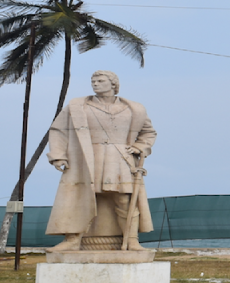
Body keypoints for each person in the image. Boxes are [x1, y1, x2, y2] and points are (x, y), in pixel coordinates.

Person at [46, 71, 157, 252]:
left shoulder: (134, 109)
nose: (95, 84)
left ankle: (132, 241)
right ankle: (73, 240)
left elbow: (148, 132)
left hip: (120, 158)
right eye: (93, 81)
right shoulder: (78, 106)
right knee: (82, 197)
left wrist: (140, 146)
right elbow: (59, 130)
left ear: (113, 84)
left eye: (100, 81)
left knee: (124, 199)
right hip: (87, 157)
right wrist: (58, 155)